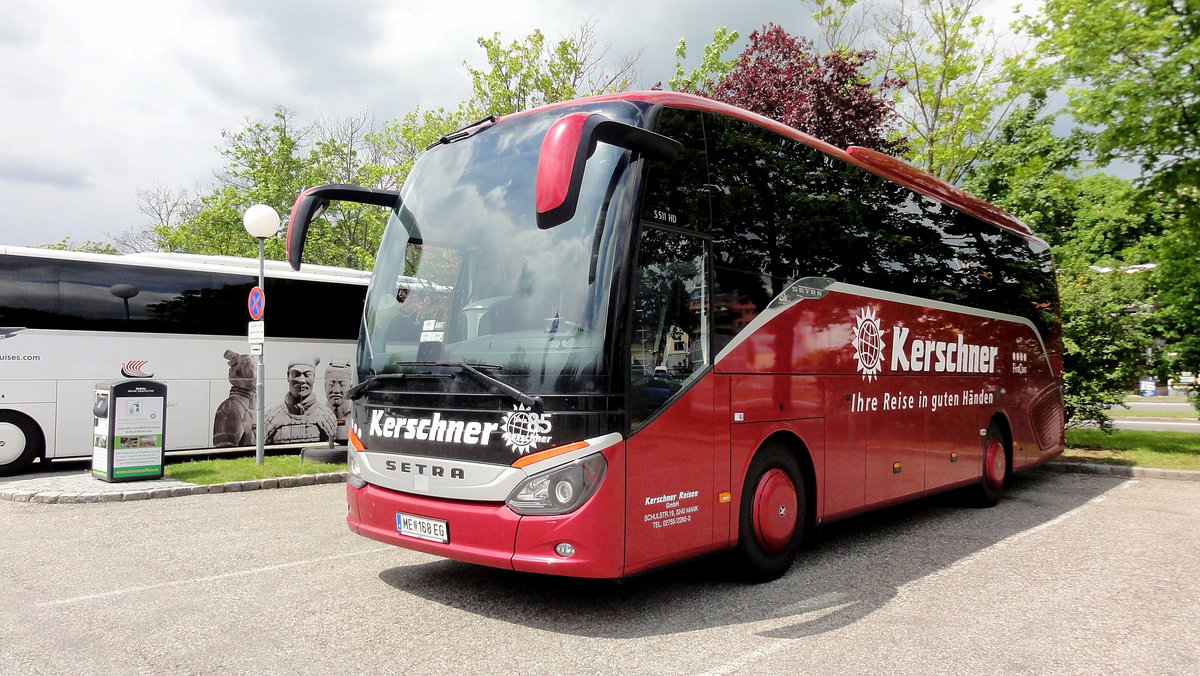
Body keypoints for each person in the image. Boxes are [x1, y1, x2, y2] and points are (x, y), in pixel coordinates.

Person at [264, 355, 337, 444]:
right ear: (288, 376)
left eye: (307, 375)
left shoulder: (325, 415)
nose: (302, 380)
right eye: (296, 374)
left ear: (314, 377)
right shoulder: (272, 416)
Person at [324, 360, 353, 442]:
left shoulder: (356, 416)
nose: (336, 390)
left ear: (350, 387)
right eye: (331, 385)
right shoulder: (320, 415)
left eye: (342, 385)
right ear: (325, 387)